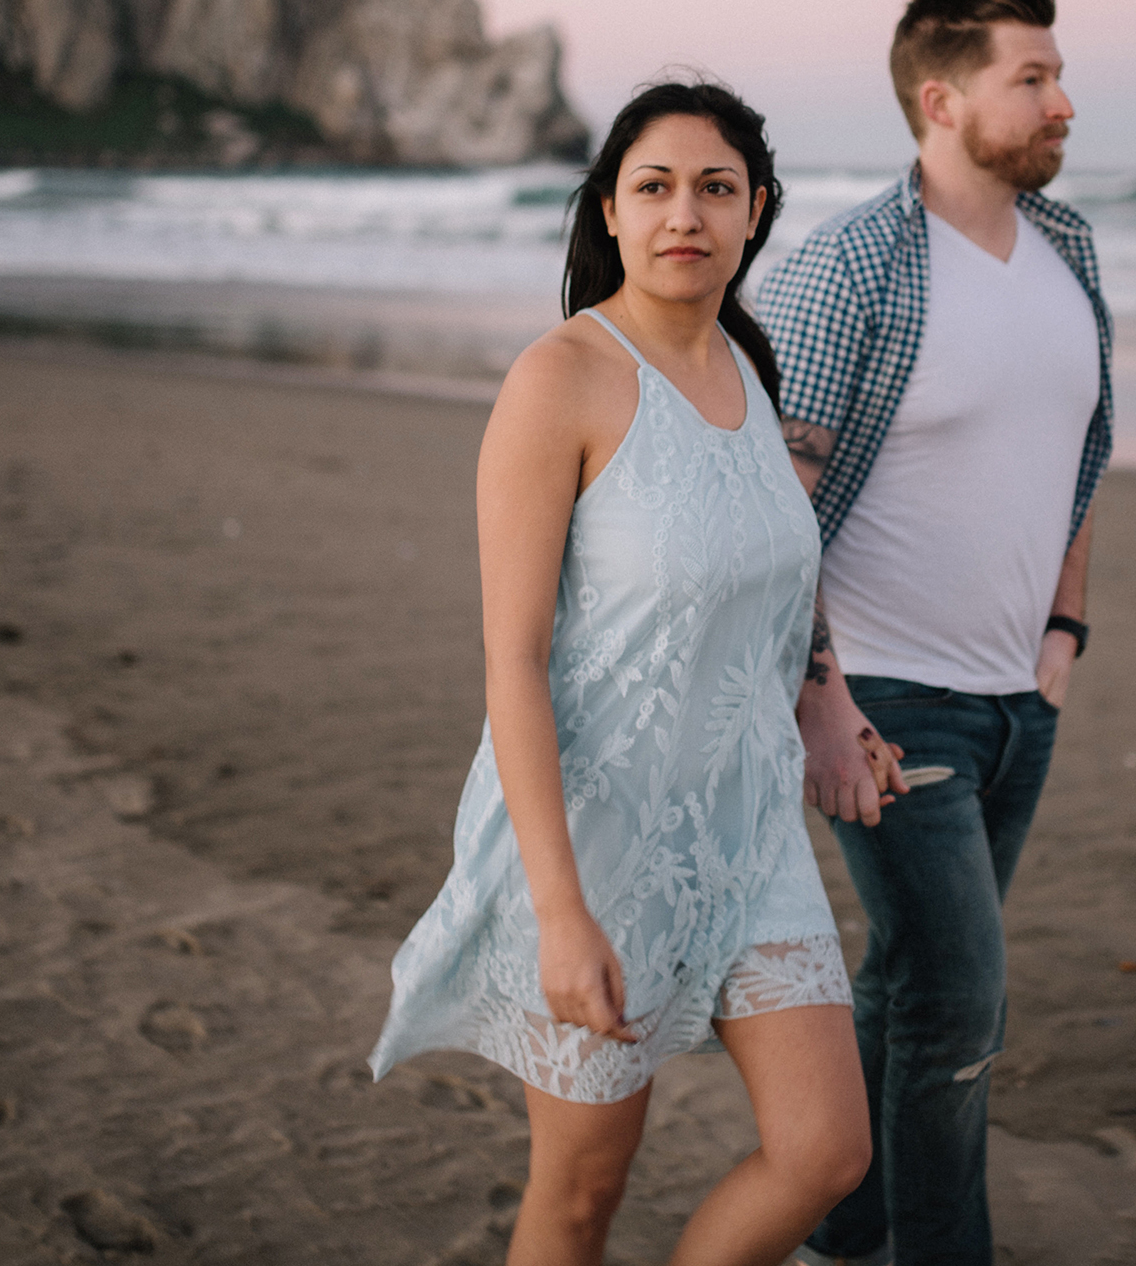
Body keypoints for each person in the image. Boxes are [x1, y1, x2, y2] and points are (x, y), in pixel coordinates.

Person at [370, 80, 897, 1266]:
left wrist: (831, 706)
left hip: (746, 827)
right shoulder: (559, 379)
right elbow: (509, 659)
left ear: (755, 211)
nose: (684, 215)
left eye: (715, 188)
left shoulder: (749, 375)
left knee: (825, 1154)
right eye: (653, 187)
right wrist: (561, 912)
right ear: (608, 209)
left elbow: (780, 573)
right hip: (597, 839)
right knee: (577, 1200)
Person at [756, 0, 1112, 1266]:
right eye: (1034, 77)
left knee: (909, 980)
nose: (1064, 100)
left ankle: (835, 1227)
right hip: (889, 702)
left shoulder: (1070, 253)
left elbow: (1081, 452)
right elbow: (769, 513)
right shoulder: (849, 270)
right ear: (942, 98)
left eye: (1059, 72)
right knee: (959, 1011)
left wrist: (1062, 639)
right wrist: (824, 704)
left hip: (1020, 702)